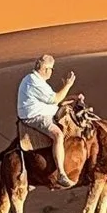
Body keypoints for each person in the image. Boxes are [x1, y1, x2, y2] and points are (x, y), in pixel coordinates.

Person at [17, 53, 77, 188]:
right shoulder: (34, 82)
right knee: (58, 134)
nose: (51, 72)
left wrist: (72, 98)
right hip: (36, 117)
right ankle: (61, 173)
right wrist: (68, 85)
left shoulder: (37, 81)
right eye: (51, 69)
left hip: (44, 112)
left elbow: (54, 100)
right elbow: (54, 99)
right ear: (45, 69)